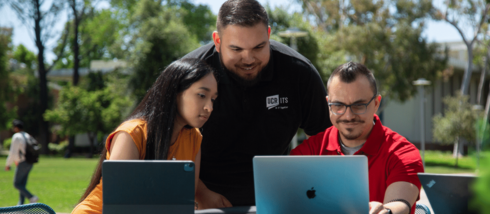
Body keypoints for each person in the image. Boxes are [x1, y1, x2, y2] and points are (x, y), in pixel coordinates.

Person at [181, 0, 331, 207]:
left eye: (259, 47)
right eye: (236, 49)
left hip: (278, 198)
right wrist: (200, 193)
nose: (249, 59)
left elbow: (327, 142)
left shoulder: (299, 73)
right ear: (217, 41)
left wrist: (308, 191)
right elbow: (166, 144)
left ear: (269, 35)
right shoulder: (188, 76)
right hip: (203, 200)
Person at [72, 58, 220, 214]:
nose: (209, 107)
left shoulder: (194, 137)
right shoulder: (132, 134)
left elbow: (184, 202)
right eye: (202, 95)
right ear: (175, 92)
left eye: (213, 99)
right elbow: (120, 206)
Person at [290, 62, 424, 214]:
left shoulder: (402, 154)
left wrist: (385, 211)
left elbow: (400, 204)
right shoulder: (309, 151)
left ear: (376, 104)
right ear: (328, 105)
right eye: (338, 105)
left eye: (359, 106)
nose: (348, 115)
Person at [5, 119, 40, 205]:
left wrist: (8, 164)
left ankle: (32, 197)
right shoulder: (27, 135)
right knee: (22, 185)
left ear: (16, 128)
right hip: (30, 162)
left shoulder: (17, 136)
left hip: (23, 162)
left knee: (17, 184)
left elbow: (13, 152)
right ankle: (21, 205)